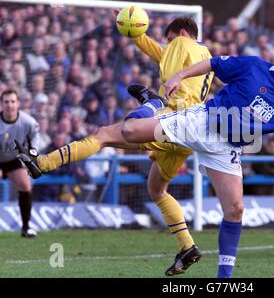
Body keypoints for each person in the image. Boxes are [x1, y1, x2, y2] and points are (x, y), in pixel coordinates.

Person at [20, 35, 274, 278]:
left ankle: (224, 277)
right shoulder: (253, 65)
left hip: (227, 148)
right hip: (204, 121)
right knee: (124, 133)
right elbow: (211, 63)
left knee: (235, 209)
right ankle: (49, 161)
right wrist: (178, 74)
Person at [15, 17, 213, 276]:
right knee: (156, 190)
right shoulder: (203, 54)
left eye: (170, 39)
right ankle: (187, 247)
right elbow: (160, 53)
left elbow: (169, 74)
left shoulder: (182, 43)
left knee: (104, 134)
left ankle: (41, 164)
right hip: (189, 132)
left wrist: (160, 100)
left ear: (183, 33)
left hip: (171, 119)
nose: (169, 45)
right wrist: (134, 32)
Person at [0, 89, 39, 238]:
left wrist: (31, 156)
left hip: (13, 159)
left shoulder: (28, 122)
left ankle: (26, 227)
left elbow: (34, 140)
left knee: (25, 186)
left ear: (18, 103)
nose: (10, 105)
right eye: (6, 102)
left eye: (13, 101)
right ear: (1, 104)